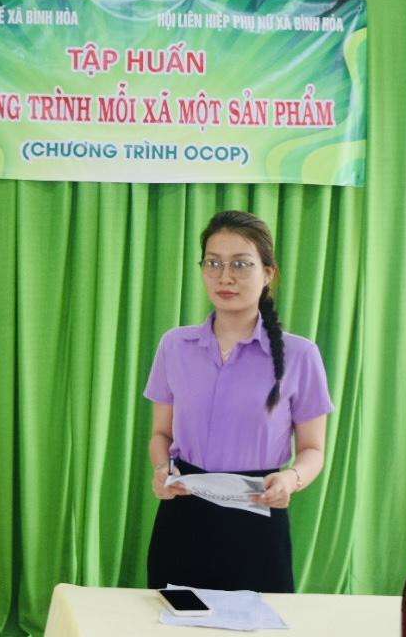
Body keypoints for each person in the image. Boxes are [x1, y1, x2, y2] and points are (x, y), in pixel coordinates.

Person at [144, 210, 332, 592]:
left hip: (257, 516)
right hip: (183, 514)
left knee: (257, 619)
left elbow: (313, 450)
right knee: (174, 617)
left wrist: (291, 480)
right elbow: (161, 435)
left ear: (268, 273)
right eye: (213, 263)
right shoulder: (175, 346)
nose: (225, 277)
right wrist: (162, 469)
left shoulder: (299, 355)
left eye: (241, 264)